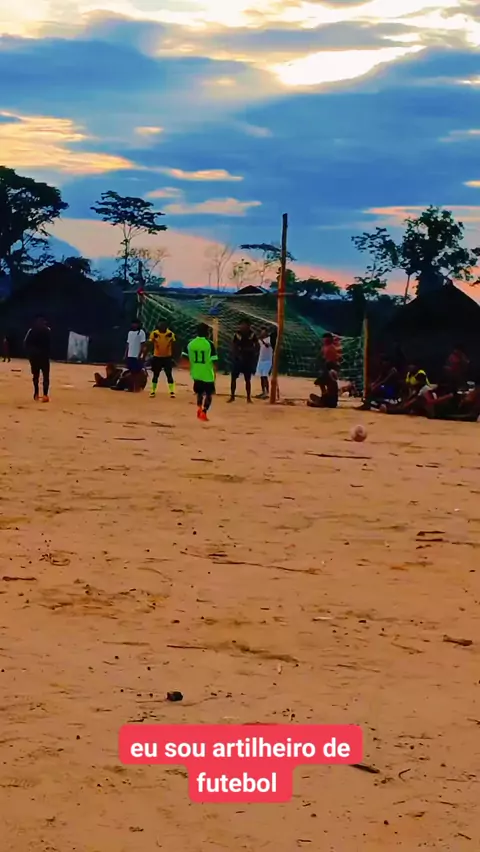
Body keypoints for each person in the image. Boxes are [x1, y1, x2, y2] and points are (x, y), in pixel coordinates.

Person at [186, 323, 218, 421]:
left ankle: (199, 408)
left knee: (199, 393)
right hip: (207, 373)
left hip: (196, 373)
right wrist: (215, 372)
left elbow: (184, 357)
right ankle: (204, 412)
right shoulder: (209, 344)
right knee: (209, 394)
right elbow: (214, 360)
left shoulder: (191, 343)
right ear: (207, 332)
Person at [228, 319, 259, 403]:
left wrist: (252, 352)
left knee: (247, 379)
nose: (242, 326)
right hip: (238, 359)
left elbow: (257, 346)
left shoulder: (252, 334)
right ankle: (232, 396)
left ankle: (248, 398)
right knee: (233, 378)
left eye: (244, 325)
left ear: (249, 326)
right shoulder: (237, 334)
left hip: (247, 360)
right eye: (241, 325)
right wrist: (236, 355)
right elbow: (233, 345)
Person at [24, 316, 51, 402]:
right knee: (46, 376)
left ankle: (36, 393)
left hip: (34, 357)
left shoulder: (31, 331)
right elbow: (49, 344)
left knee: (36, 376)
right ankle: (45, 395)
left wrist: (30, 354)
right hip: (44, 357)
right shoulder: (47, 331)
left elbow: (26, 343)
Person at [148, 321, 176, 399]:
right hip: (157, 357)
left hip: (167, 357)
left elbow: (174, 345)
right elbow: (150, 343)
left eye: (164, 325)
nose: (162, 326)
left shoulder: (170, 334)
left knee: (169, 374)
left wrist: (173, 356)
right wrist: (149, 353)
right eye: (161, 325)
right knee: (156, 374)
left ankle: (172, 391)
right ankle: (153, 391)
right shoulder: (154, 333)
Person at [125, 319, 146, 391]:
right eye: (133, 323)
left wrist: (140, 355)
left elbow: (142, 345)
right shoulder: (130, 333)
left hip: (136, 356)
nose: (134, 325)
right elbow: (128, 344)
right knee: (131, 372)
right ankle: (131, 387)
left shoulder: (141, 332)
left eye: (136, 323)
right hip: (130, 355)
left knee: (136, 373)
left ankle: (137, 387)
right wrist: (126, 354)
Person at [255, 327, 274, 399]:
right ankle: (263, 392)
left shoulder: (269, 339)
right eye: (261, 332)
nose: (262, 333)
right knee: (261, 377)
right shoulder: (260, 340)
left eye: (264, 332)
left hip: (267, 361)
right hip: (261, 360)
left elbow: (267, 345)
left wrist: (261, 340)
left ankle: (267, 393)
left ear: (266, 333)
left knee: (265, 376)